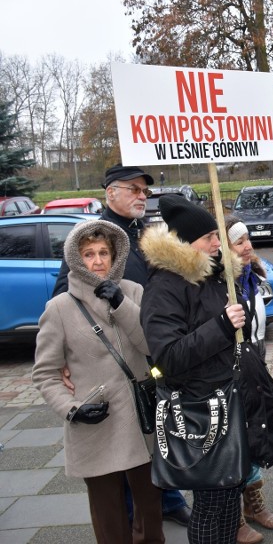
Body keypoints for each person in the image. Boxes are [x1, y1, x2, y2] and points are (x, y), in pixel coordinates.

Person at [52, 163, 193, 527]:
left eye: (144, 190)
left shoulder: (147, 233)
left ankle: (166, 501)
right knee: (123, 448)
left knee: (154, 433)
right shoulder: (94, 237)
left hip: (153, 351)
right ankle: (133, 520)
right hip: (115, 364)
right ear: (110, 192)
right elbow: (63, 295)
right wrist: (65, 354)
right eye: (133, 189)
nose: (142, 196)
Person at [32, 220, 164, 544]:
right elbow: (45, 374)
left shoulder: (133, 292)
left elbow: (152, 346)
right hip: (95, 422)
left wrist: (121, 303)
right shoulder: (59, 308)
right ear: (76, 260)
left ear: (115, 254)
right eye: (88, 254)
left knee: (151, 512)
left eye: (104, 252)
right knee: (109, 519)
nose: (98, 261)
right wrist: (72, 409)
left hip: (139, 417)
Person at [139, 195, 249, 543]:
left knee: (231, 489)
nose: (219, 243)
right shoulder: (164, 287)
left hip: (227, 396)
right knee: (211, 499)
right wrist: (221, 325)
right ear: (186, 243)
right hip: (200, 408)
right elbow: (168, 357)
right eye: (210, 238)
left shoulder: (213, 275)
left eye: (218, 235)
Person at [225, 216, 273, 544]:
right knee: (236, 440)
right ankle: (233, 517)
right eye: (239, 241)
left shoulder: (252, 276)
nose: (248, 246)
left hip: (255, 363)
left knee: (257, 432)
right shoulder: (223, 284)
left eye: (248, 239)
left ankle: (254, 504)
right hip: (233, 370)